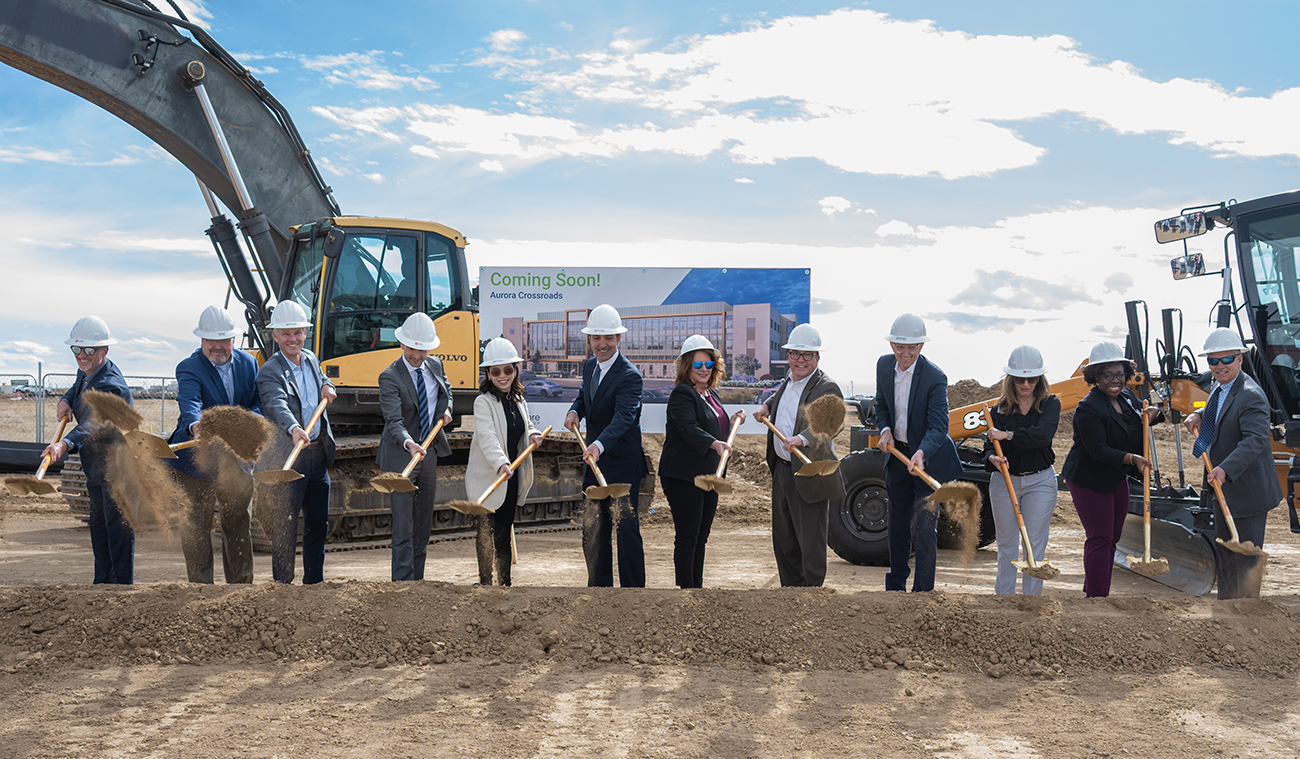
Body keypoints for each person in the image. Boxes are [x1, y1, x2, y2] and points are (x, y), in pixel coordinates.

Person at [164, 305, 262, 584]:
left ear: (234, 339)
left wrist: (247, 423)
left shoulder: (249, 363)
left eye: (223, 340)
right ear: (201, 341)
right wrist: (198, 427)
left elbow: (256, 401)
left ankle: (241, 586)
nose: (217, 347)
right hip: (196, 461)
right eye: (211, 341)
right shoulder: (189, 367)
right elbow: (190, 403)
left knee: (237, 521)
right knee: (196, 524)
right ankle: (201, 588)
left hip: (236, 458)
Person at [1184, 328, 1282, 599]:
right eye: (1213, 361)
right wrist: (1199, 413)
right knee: (1226, 553)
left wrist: (1226, 468)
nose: (1219, 366)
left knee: (1245, 557)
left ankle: (1246, 614)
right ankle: (1227, 610)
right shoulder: (1221, 385)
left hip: (1247, 490)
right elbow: (1221, 406)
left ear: (1240, 358)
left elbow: (1256, 440)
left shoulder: (1252, 394)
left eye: (1225, 359)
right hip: (1223, 487)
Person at [1061, 341, 1158, 598]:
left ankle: (1095, 588)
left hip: (1115, 476)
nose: (1115, 380)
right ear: (1096, 377)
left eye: (1119, 374)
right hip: (1088, 479)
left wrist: (1154, 414)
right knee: (1100, 537)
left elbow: (1138, 423)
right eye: (1108, 375)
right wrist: (1131, 458)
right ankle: (1096, 598)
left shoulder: (1127, 398)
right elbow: (1097, 449)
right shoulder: (1088, 408)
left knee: (1113, 536)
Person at [42, 316, 135, 584]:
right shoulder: (89, 370)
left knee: (116, 530)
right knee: (99, 527)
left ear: (104, 351)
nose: (82, 356)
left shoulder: (111, 384)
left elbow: (95, 422)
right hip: (96, 465)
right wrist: (65, 400)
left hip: (118, 467)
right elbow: (77, 386)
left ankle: (119, 588)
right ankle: (102, 584)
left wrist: (64, 443)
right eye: (77, 350)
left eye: (89, 351)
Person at [874, 313, 962, 593]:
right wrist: (885, 429)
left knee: (924, 529)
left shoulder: (935, 378)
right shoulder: (884, 366)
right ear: (891, 346)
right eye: (900, 347)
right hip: (897, 456)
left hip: (926, 461)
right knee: (898, 525)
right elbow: (881, 404)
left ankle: (923, 592)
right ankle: (895, 588)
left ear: (921, 346)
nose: (905, 353)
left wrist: (921, 452)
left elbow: (939, 426)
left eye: (912, 347)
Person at [752, 323, 845, 587]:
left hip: (808, 471)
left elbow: (832, 421)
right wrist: (766, 405)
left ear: (817, 357)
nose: (800, 360)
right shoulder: (789, 380)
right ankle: (790, 593)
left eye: (807, 355)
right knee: (784, 538)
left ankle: (811, 594)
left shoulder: (827, 387)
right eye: (795, 354)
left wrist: (802, 438)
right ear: (789, 355)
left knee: (810, 539)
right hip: (783, 468)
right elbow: (782, 401)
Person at [564, 304, 647, 587]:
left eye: (608, 338)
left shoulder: (630, 376)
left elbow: (624, 417)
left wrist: (598, 445)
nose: (602, 344)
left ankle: (633, 592)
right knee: (594, 527)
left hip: (621, 462)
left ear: (619, 339)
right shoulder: (589, 366)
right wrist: (575, 411)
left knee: (626, 528)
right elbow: (584, 398)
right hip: (594, 460)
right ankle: (599, 588)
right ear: (589, 340)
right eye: (596, 339)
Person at [256, 300, 337, 585]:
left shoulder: (312, 359)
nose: (293, 339)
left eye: (298, 332)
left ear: (305, 333)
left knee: (318, 524)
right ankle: (283, 586)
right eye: (286, 334)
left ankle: (314, 582)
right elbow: (276, 403)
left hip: (317, 456)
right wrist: (293, 427)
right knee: (285, 526)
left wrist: (329, 385)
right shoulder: (270, 371)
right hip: (289, 458)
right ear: (275, 336)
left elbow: (322, 378)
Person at [659, 335, 745, 588]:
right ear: (687, 366)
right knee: (688, 536)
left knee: (701, 536)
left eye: (708, 364)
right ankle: (686, 590)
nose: (704, 369)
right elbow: (688, 427)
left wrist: (729, 424)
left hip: (709, 476)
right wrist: (715, 444)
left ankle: (697, 587)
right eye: (698, 365)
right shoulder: (682, 394)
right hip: (683, 476)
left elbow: (712, 425)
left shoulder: (711, 395)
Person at [376, 313, 453, 582]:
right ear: (401, 344)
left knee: (422, 524)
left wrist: (447, 411)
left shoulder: (435, 365)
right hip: (401, 456)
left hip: (428, 454)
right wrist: (409, 443)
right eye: (412, 349)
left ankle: (417, 584)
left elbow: (447, 391)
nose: (417, 355)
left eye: (422, 350)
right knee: (403, 527)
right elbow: (394, 421)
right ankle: (401, 586)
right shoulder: (389, 377)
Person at [981, 345, 1060, 596]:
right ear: (1011, 379)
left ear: (1040, 379)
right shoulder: (998, 410)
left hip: (1040, 482)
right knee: (1006, 545)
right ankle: (1004, 600)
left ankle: (1032, 601)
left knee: (1034, 544)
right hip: (1004, 482)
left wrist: (1008, 435)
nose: (1026, 384)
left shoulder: (1051, 404)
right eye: (1020, 379)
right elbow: (987, 447)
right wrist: (992, 456)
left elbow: (1041, 436)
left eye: (1032, 379)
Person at [466, 338, 542, 586]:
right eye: (496, 371)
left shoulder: (519, 400)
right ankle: (486, 584)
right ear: (488, 373)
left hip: (511, 477)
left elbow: (525, 425)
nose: (502, 376)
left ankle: (505, 584)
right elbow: (487, 438)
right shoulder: (483, 402)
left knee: (504, 532)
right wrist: (500, 463)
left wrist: (532, 433)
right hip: (490, 476)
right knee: (487, 533)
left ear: (515, 370)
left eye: (507, 370)